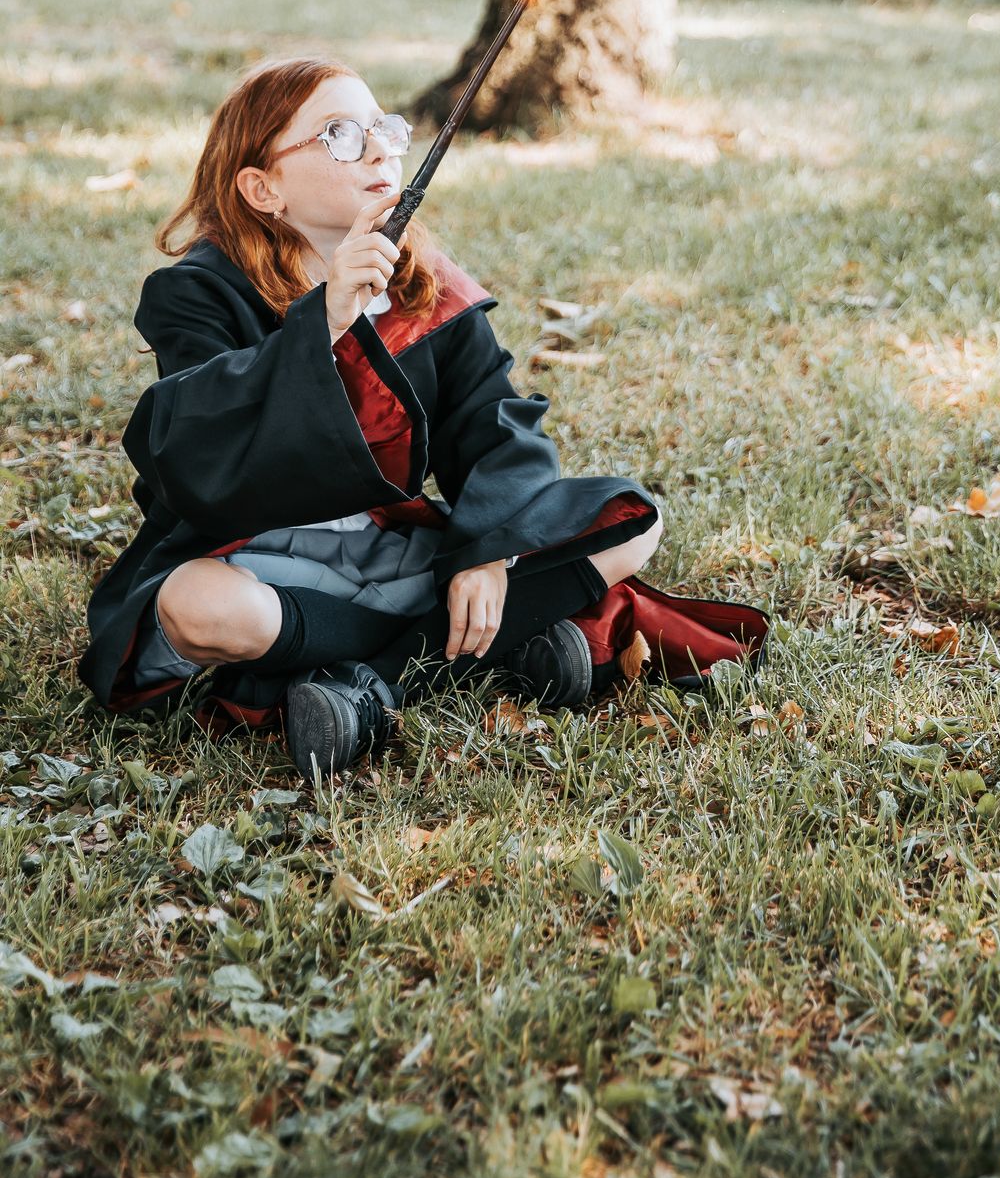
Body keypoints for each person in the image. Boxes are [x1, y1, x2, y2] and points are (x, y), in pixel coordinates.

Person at [78, 55, 677, 783]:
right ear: (262, 187)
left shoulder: (427, 287)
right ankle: (492, 648)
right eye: (337, 134)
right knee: (196, 607)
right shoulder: (196, 293)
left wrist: (486, 550)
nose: (378, 147)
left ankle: (369, 683)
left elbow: (495, 425)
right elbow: (188, 439)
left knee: (633, 521)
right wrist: (321, 319)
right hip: (258, 558)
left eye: (382, 128)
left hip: (393, 550)